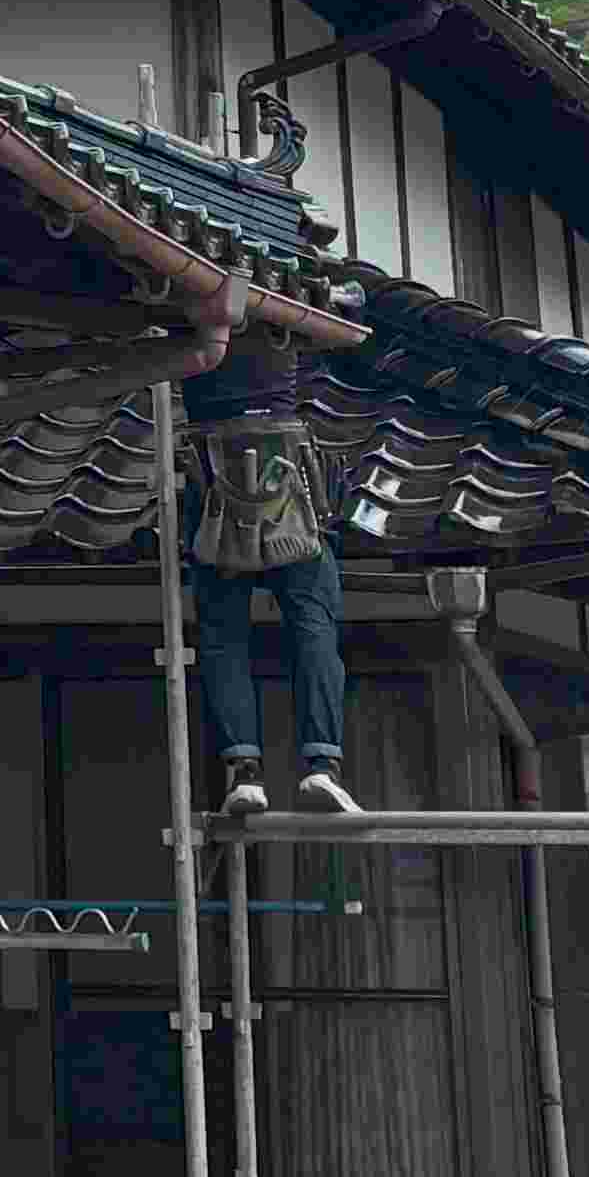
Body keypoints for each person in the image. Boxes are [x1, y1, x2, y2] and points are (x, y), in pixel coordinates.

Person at [180, 333, 357, 816]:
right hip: (283, 457)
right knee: (313, 621)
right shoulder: (283, 300)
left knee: (222, 634)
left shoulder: (185, 299)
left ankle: (244, 772)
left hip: (212, 466)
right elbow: (341, 324)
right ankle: (322, 765)